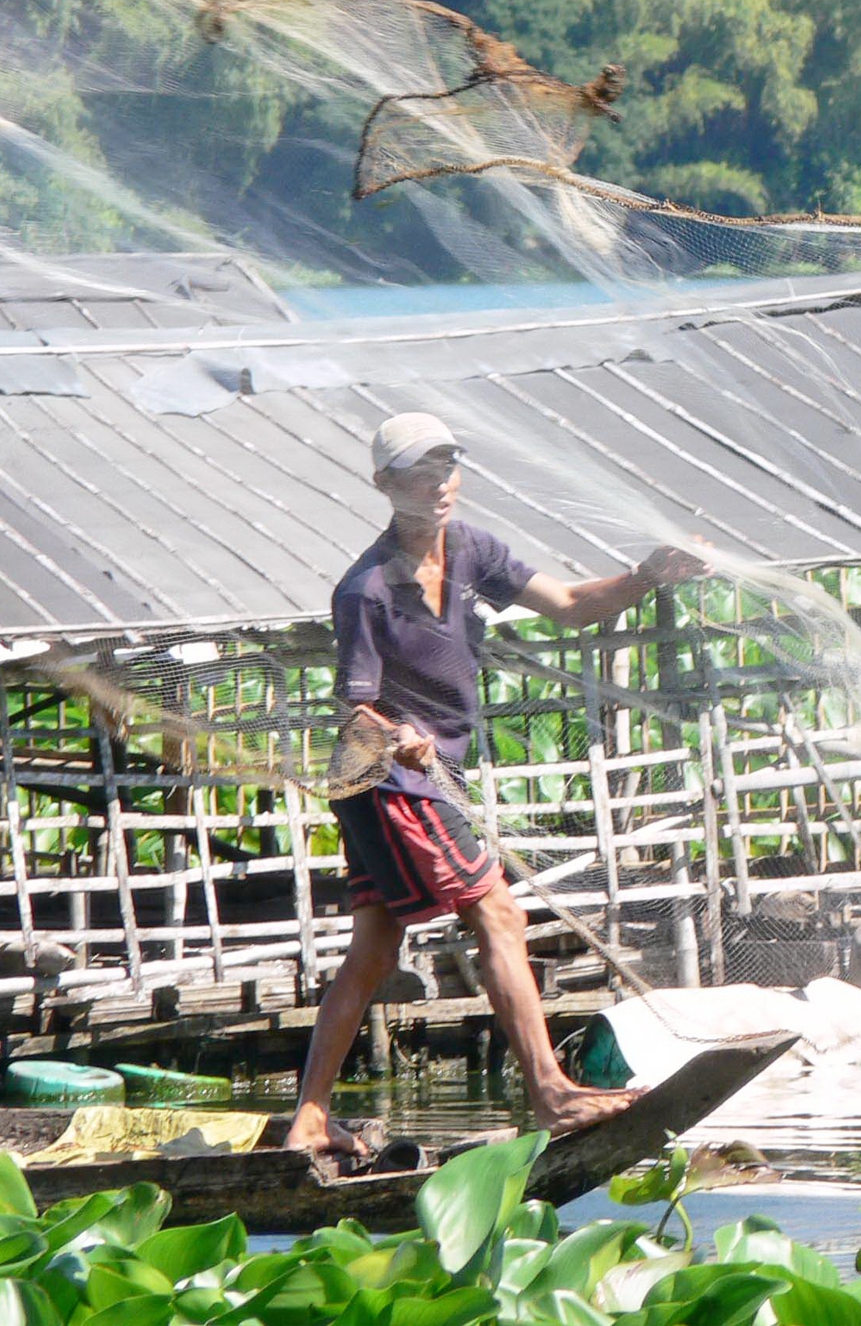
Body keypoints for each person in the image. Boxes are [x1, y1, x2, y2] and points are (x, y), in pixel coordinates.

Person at [287, 411, 707, 1158]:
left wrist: (647, 575)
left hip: (407, 779)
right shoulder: (365, 588)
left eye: (448, 466)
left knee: (374, 950)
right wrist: (397, 732)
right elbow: (356, 703)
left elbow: (574, 606)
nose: (440, 482)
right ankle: (550, 1091)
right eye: (421, 471)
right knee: (499, 915)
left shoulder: (475, 549)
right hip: (386, 779)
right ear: (385, 484)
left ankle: (309, 1118)